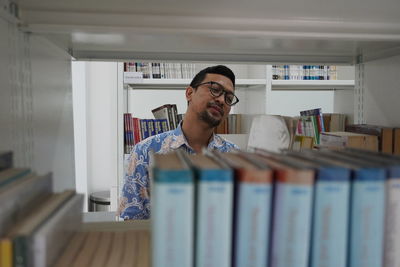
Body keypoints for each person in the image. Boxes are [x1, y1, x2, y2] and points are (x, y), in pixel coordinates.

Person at [119, 65, 240, 220]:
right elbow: (132, 223)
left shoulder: (234, 157)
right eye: (215, 89)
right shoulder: (145, 152)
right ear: (189, 93)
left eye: (229, 98)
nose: (222, 100)